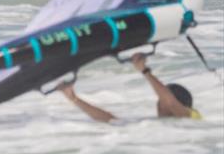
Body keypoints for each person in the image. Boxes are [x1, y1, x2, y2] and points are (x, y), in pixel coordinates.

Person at [58, 52, 201, 122]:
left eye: (161, 100)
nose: (159, 104)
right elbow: (111, 120)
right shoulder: (157, 126)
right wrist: (74, 99)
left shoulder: (191, 118)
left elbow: (169, 102)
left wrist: (144, 70)